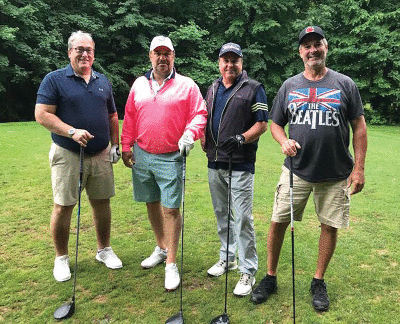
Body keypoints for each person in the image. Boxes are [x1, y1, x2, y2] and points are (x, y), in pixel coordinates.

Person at [251, 26, 368, 311]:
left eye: (318, 44)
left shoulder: (345, 84)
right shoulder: (289, 86)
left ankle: (318, 281)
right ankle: (270, 277)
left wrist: (359, 168)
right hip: (296, 170)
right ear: (300, 52)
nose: (312, 50)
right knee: (278, 221)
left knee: (329, 225)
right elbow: (275, 123)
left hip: (336, 172)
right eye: (307, 46)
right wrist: (282, 141)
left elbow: (359, 128)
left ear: (326, 48)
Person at [35, 31, 123, 282]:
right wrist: (71, 131)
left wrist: (114, 145)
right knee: (64, 206)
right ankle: (61, 258)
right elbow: (42, 114)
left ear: (94, 54)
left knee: (102, 202)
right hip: (68, 153)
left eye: (89, 50)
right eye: (79, 49)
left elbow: (112, 116)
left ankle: (104, 250)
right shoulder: (54, 79)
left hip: (100, 154)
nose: (85, 54)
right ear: (69, 52)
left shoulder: (102, 80)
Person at [121, 36, 207, 291]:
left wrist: (190, 133)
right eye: (157, 53)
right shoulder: (139, 84)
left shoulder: (187, 85)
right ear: (150, 56)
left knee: (170, 209)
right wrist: (126, 146)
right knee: (151, 202)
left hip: (171, 155)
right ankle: (161, 247)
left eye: (166, 53)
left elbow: (200, 113)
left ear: (173, 56)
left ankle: (171, 263)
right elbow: (130, 116)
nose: (162, 58)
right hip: (143, 154)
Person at [202, 43, 269, 296]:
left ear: (242, 62)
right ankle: (227, 257)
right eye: (225, 60)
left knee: (242, 218)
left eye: (234, 60)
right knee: (222, 214)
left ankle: (248, 270)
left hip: (240, 162)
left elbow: (262, 124)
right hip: (214, 161)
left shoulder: (253, 89)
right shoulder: (212, 87)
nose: (229, 65)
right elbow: (204, 115)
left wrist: (241, 138)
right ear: (219, 62)